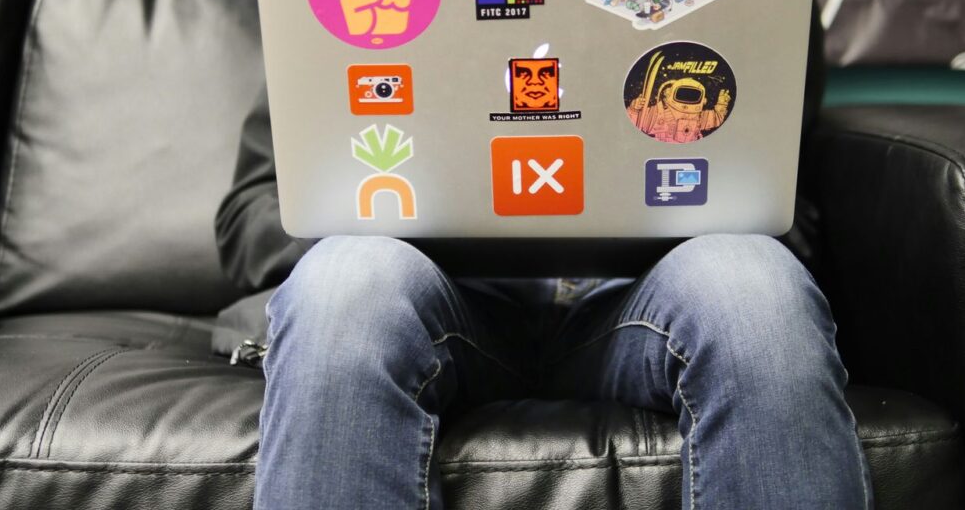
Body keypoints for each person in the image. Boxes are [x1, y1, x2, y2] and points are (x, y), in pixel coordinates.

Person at [215, 55, 872, 509]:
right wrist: (396, 210)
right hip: (442, 301)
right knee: (344, 283)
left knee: (752, 288)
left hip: (642, 297)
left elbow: (785, 197)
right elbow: (250, 222)